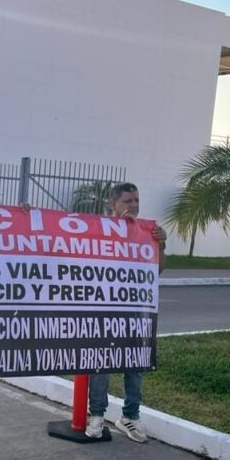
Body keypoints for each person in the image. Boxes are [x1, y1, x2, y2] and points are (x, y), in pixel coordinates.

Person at [85, 182, 167, 443]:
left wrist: (160, 245)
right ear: (114, 204)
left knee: (135, 365)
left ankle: (130, 416)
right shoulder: (99, 229)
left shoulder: (146, 232)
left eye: (136, 200)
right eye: (128, 201)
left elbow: (158, 269)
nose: (133, 205)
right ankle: (97, 415)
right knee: (102, 364)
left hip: (136, 311)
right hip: (105, 310)